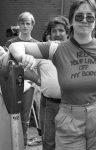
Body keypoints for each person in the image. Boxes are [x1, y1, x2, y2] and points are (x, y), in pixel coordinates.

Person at [8, 0, 96, 149]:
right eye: (79, 16)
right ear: (71, 21)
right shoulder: (57, 48)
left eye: (90, 17)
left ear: (95, 21)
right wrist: (22, 57)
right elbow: (15, 45)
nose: (84, 20)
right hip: (70, 119)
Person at [5, 11, 40, 147]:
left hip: (28, 86)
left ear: (32, 26)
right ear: (18, 25)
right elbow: (5, 64)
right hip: (12, 85)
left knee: (25, 120)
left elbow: (39, 66)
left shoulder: (37, 44)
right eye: (22, 23)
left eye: (28, 23)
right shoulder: (10, 43)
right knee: (11, 117)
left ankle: (23, 146)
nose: (25, 26)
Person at [37, 16, 70, 150]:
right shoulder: (43, 51)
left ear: (68, 33)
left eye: (61, 30)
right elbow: (23, 67)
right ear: (49, 34)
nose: (57, 34)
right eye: (54, 31)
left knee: (68, 142)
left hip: (70, 105)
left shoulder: (75, 51)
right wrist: (38, 80)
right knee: (49, 142)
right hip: (48, 104)